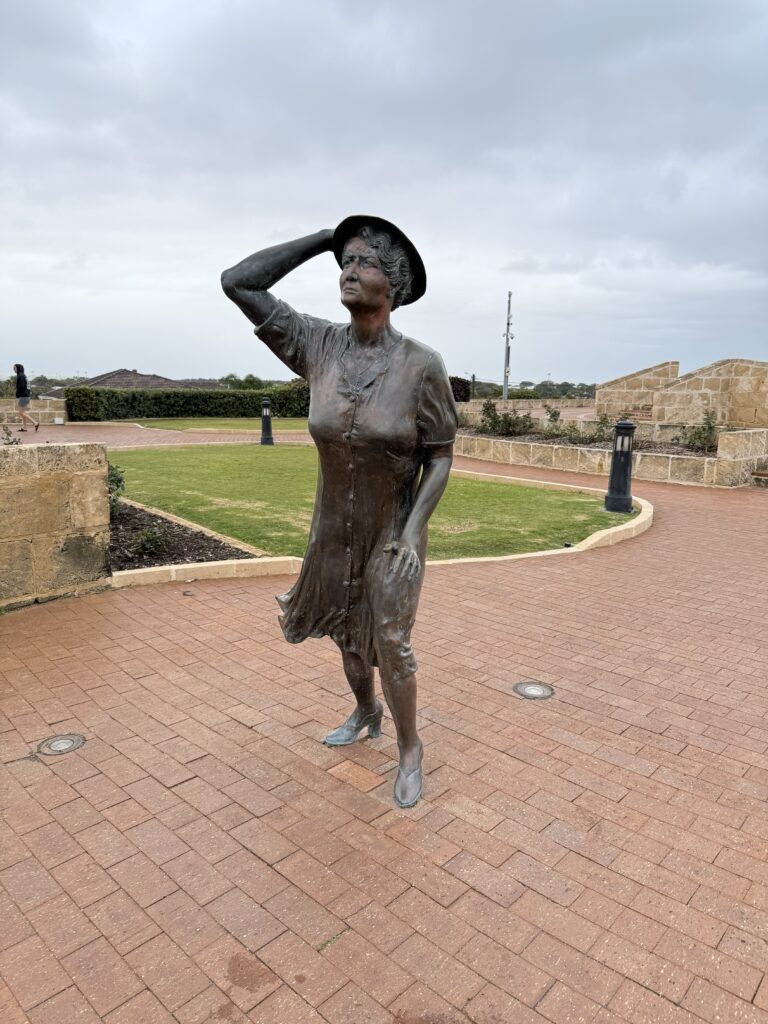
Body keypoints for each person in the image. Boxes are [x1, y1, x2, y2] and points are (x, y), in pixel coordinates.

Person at [221, 217, 457, 807]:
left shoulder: (421, 365)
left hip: (393, 531)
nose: (349, 272)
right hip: (331, 530)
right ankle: (365, 710)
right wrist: (322, 239)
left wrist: (411, 531)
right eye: (345, 262)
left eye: (364, 263)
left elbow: (442, 455)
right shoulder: (317, 346)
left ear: (393, 283)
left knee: (391, 640)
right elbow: (238, 283)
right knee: (347, 636)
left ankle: (410, 749)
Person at [12, 364, 39, 432]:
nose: (13, 369)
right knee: (23, 412)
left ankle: (35, 423)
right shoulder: (23, 375)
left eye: (14, 368)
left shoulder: (20, 376)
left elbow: (21, 386)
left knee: (21, 413)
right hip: (26, 396)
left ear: (18, 368)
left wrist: (17, 395)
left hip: (23, 396)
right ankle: (24, 427)